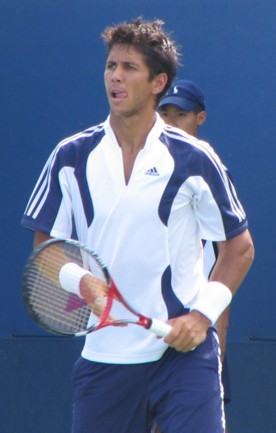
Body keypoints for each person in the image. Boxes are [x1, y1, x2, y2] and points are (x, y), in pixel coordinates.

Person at [21, 17, 254, 433]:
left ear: (158, 82)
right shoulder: (70, 156)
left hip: (183, 359)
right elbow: (47, 248)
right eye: (111, 66)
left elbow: (240, 248)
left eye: (130, 68)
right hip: (105, 358)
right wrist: (83, 283)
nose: (116, 76)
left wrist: (201, 317)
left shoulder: (195, 158)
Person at [157, 79, 232, 432]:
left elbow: (226, 259)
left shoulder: (207, 171)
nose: (171, 122)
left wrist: (216, 335)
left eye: (181, 114)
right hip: (147, 335)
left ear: (200, 118)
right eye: (165, 113)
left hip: (196, 331)